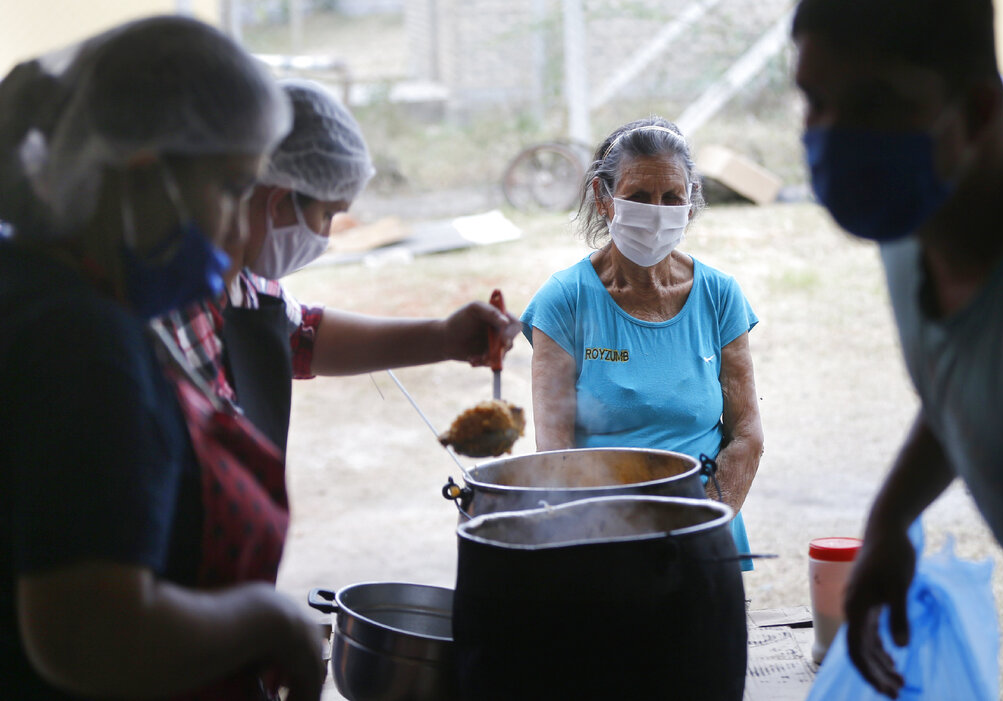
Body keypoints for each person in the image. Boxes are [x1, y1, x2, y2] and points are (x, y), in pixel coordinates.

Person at [0, 16, 326, 700]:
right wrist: (270, 619)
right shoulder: (80, 343)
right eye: (235, 188)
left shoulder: (32, 282)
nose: (242, 228)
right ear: (148, 176)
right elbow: (91, 634)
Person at [791, 0, 1003, 696]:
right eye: (814, 99)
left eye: (874, 103)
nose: (833, 134)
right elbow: (969, 382)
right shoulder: (916, 220)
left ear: (979, 110)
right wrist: (891, 518)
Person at [161, 78, 520, 454]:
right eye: (328, 214)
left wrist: (444, 337)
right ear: (277, 198)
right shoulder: (175, 315)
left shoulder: (248, 284)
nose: (326, 235)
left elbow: (303, 336)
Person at [520, 117, 764, 569]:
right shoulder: (564, 301)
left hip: (705, 538)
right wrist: (620, 541)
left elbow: (746, 436)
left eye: (672, 197)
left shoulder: (719, 295)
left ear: (691, 202)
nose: (656, 212)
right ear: (603, 198)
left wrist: (696, 529)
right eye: (638, 197)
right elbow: (555, 453)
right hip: (600, 543)